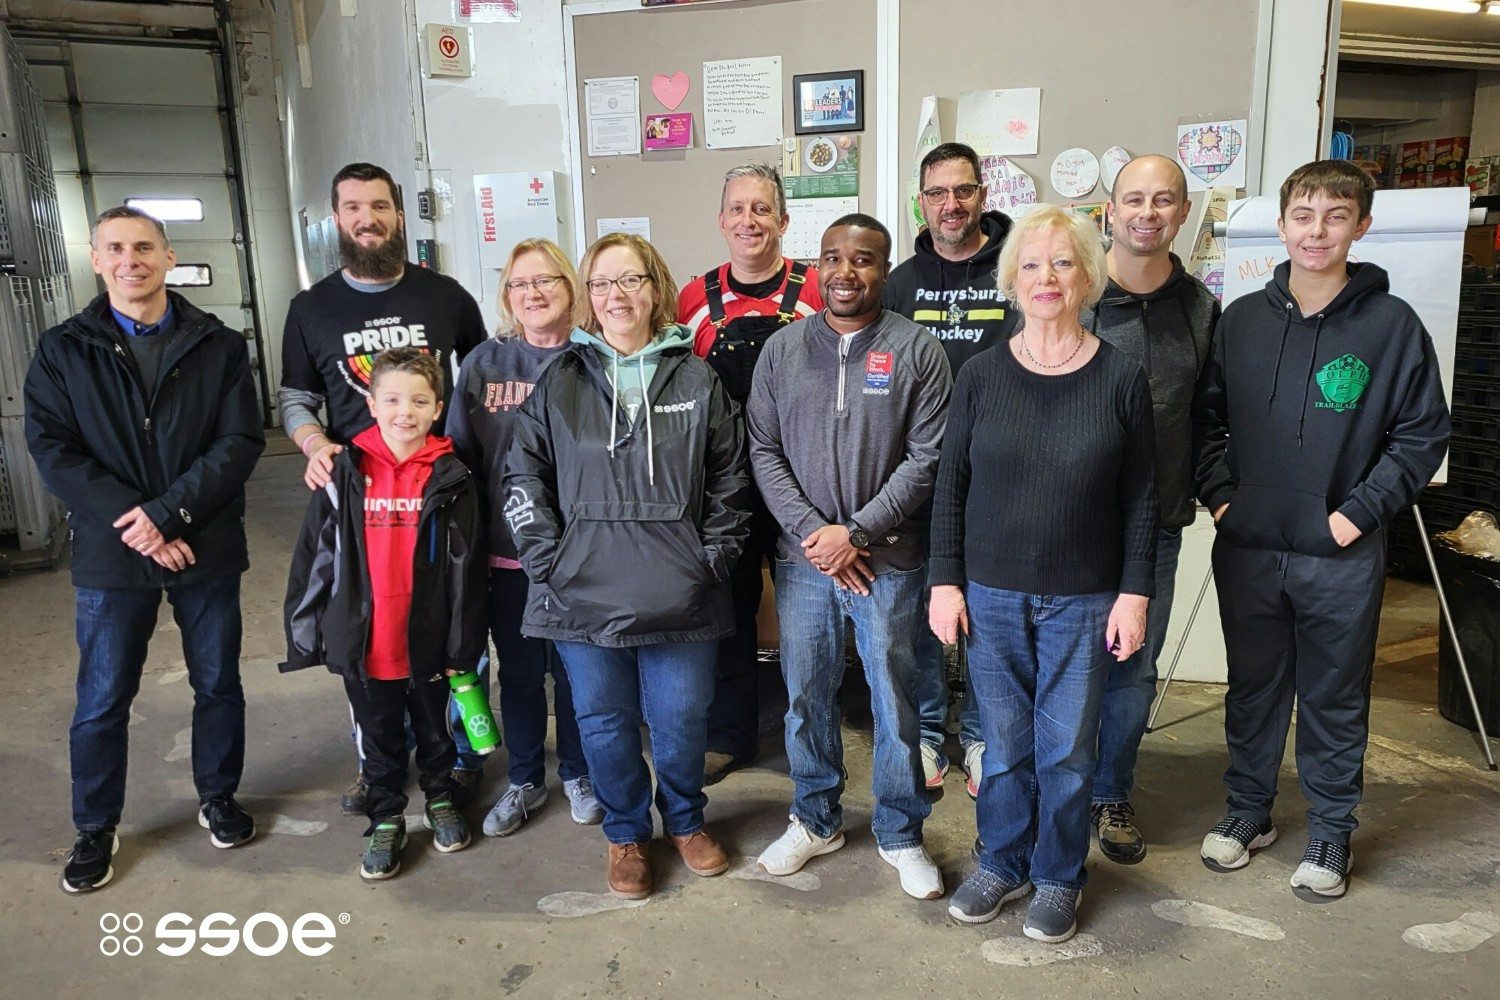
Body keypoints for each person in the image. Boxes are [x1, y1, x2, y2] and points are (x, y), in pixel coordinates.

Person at [1194, 160, 1449, 902]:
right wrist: (1222, 502)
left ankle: (1332, 831)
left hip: (1340, 553)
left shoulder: (1391, 326)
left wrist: (1355, 515)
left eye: (1336, 217)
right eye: (1303, 216)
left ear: (1361, 227)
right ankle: (1249, 813)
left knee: (1335, 695)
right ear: (1281, 226)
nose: (1317, 231)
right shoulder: (1239, 319)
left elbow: (1420, 435)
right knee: (1253, 690)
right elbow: (1208, 425)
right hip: (1248, 547)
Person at [930, 204, 1158, 943]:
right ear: (1011, 280)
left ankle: (1059, 875)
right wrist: (944, 581)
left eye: (1063, 262)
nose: (1047, 277)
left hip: (1087, 600)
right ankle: (1002, 861)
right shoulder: (980, 375)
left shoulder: (1121, 378)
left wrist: (1134, 593)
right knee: (1003, 745)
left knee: (1066, 752)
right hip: (992, 596)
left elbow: (1143, 499)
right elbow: (950, 488)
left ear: (1088, 276)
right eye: (1031, 264)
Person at [26, 206, 265, 892]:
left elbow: (240, 441)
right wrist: (137, 523)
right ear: (97, 261)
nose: (130, 259)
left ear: (167, 257)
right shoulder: (62, 348)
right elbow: (52, 449)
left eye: (143, 247)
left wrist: (170, 514)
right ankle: (95, 826)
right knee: (103, 696)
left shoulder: (218, 344)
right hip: (113, 553)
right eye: (115, 249)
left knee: (218, 683)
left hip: (204, 542)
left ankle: (217, 797)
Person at [505, 233, 749, 900]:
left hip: (683, 593)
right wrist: (548, 561)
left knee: (680, 720)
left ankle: (685, 821)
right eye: (604, 283)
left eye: (631, 280)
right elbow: (521, 476)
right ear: (590, 296)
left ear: (655, 288)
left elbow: (732, 479)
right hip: (579, 595)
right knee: (604, 723)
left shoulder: (698, 379)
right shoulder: (559, 382)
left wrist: (713, 559)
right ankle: (624, 834)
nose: (618, 295)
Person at [747, 214, 952, 900]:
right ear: (817, 267)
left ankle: (901, 834)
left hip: (889, 563)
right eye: (832, 258)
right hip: (806, 562)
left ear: (883, 270)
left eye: (862, 259)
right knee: (805, 696)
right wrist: (820, 536)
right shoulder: (781, 353)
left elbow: (928, 458)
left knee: (897, 702)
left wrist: (857, 535)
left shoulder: (918, 351)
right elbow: (764, 451)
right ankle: (815, 818)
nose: (845, 272)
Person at [278, 162, 487, 813]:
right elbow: (294, 398)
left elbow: (479, 382)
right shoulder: (310, 309)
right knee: (370, 634)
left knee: (445, 628)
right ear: (336, 219)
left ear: (400, 214)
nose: (366, 219)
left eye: (379, 206)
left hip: (435, 495)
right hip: (360, 498)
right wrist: (315, 446)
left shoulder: (446, 296)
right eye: (352, 208)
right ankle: (380, 771)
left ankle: (448, 767)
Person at [283, 347, 487, 880]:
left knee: (436, 731)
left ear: (437, 408)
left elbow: (467, 569)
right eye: (392, 399)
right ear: (370, 404)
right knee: (378, 738)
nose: (405, 411)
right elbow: (315, 558)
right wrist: (307, 634)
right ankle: (386, 817)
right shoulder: (343, 471)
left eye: (419, 401)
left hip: (429, 639)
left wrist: (464, 645)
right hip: (366, 642)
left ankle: (440, 798)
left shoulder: (451, 475)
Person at [1081, 154, 1219, 864]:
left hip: (1156, 527)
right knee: (1060, 665)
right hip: (1067, 528)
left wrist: (1220, 497)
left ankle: (1110, 791)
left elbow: (1206, 416)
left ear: (1183, 211)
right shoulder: (1071, 293)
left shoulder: (1200, 309)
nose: (1147, 212)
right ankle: (1057, 787)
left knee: (1130, 669)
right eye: (1133, 198)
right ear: (1110, 210)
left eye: (1163, 200)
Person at [446, 239, 602, 837]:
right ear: (507, 296)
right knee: (516, 671)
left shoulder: (593, 356)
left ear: (570, 288)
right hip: (505, 553)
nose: (532, 293)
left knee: (575, 672)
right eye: (519, 284)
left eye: (546, 281)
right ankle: (525, 780)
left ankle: (581, 774)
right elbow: (460, 458)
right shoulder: (485, 364)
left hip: (580, 554)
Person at [678, 163, 825, 784]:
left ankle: (812, 736)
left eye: (762, 209)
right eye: (737, 209)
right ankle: (731, 733)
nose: (749, 221)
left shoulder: (819, 289)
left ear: (784, 220)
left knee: (807, 610)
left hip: (803, 479)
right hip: (727, 480)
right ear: (720, 220)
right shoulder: (694, 298)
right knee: (730, 606)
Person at [882, 141, 1017, 796]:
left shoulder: (1017, 270)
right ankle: (931, 732)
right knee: (922, 617)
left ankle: (984, 735)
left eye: (962, 190)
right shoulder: (901, 284)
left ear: (982, 194)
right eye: (936, 193)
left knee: (988, 618)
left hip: (1001, 479)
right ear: (921, 201)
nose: (951, 204)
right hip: (923, 478)